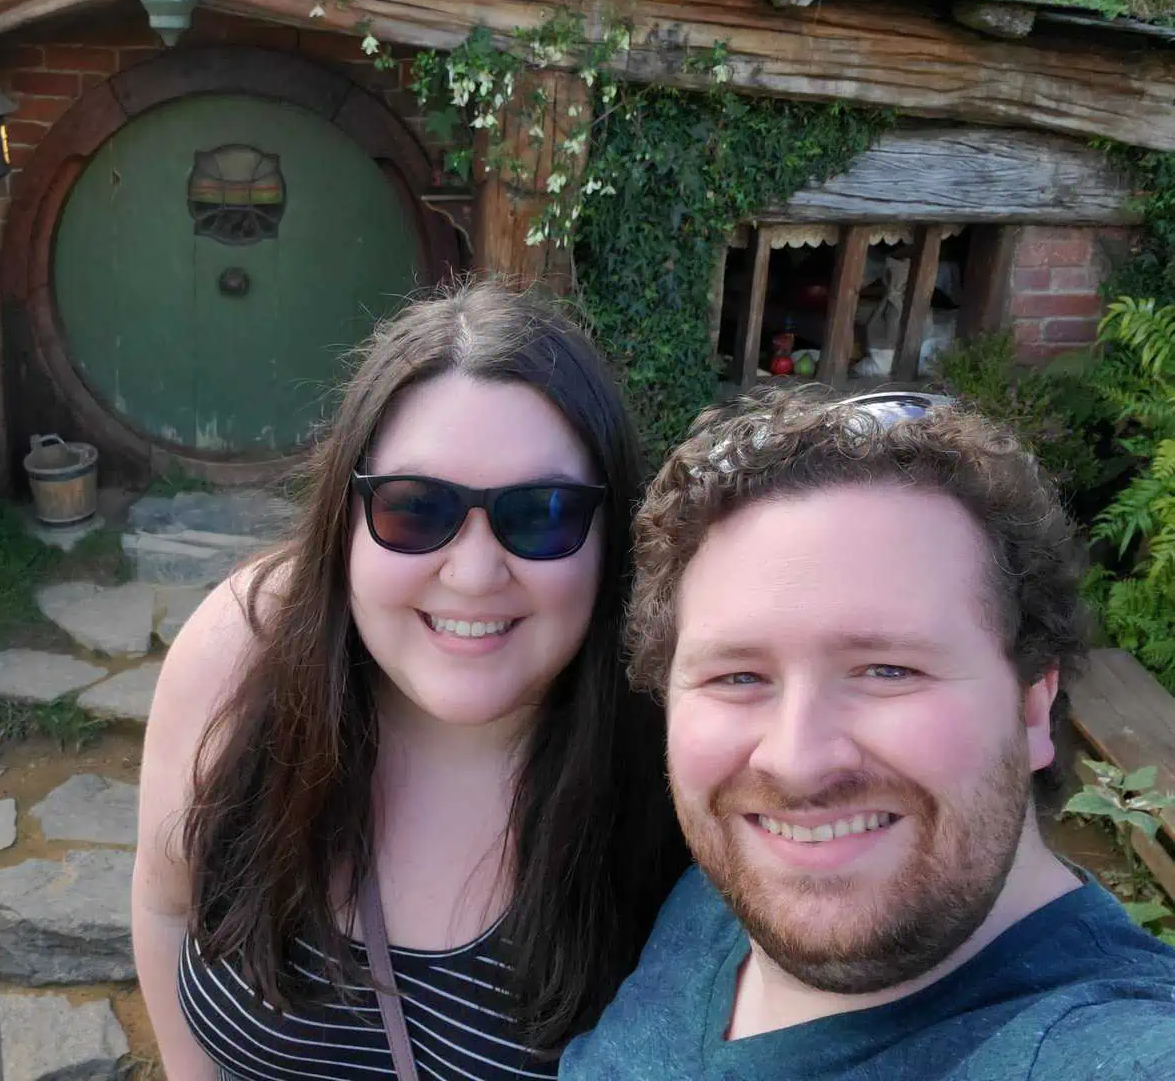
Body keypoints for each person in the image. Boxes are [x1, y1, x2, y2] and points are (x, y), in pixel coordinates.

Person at [133, 279, 689, 1080]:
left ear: (610, 538)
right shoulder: (239, 655)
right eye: (414, 509)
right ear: (346, 520)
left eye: (542, 513)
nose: (471, 574)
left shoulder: (677, 752)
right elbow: (163, 904)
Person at [562, 387, 1175, 1081]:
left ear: (1032, 707)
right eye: (737, 677)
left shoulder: (1101, 1048)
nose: (795, 763)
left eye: (887, 669)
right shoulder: (726, 886)